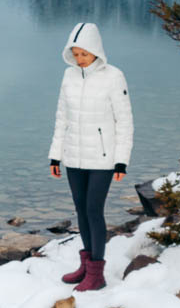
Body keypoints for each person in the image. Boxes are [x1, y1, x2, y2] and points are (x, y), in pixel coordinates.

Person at [47, 21, 133, 292]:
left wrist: (121, 160)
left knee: (94, 210)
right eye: (75, 54)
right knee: (81, 210)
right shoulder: (69, 75)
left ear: (96, 50)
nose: (79, 59)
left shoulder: (114, 76)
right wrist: (55, 155)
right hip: (74, 156)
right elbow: (62, 117)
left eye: (83, 54)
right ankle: (86, 264)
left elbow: (125, 120)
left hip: (103, 158)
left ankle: (97, 272)